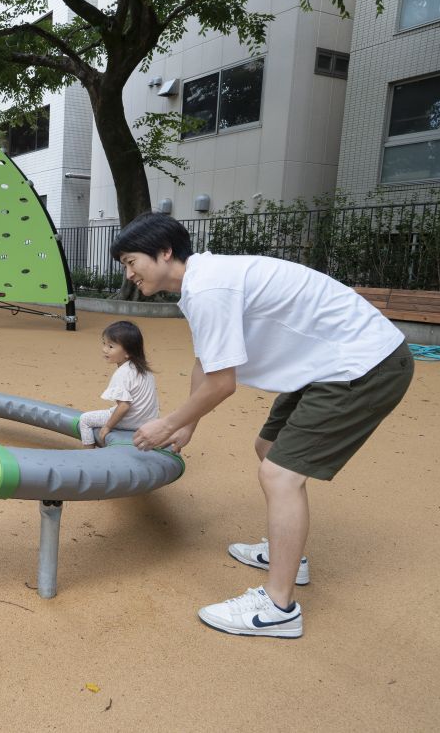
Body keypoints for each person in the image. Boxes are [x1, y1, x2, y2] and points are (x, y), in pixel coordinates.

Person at [110, 213, 413, 639]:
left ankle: (279, 607)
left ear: (164, 252)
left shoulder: (209, 287)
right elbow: (207, 362)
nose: (128, 272)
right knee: (267, 447)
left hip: (364, 364)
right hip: (328, 364)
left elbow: (222, 383)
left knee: (279, 474)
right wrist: (188, 424)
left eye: (130, 260)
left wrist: (168, 424)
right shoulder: (201, 284)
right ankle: (290, 557)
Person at [78, 321, 159, 448]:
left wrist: (107, 426)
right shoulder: (144, 369)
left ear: (128, 352)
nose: (104, 349)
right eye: (104, 343)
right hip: (148, 421)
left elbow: (124, 407)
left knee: (85, 420)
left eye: (111, 346)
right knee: (113, 410)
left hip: (131, 421)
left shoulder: (122, 373)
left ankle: (89, 455)